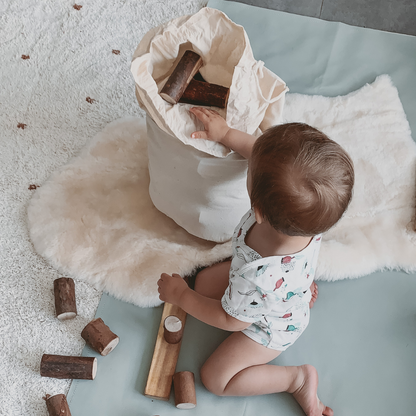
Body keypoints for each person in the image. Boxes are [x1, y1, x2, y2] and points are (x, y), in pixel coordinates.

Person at [157, 107, 354, 416]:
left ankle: (296, 379)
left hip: (270, 327)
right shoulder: (307, 218)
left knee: (216, 378)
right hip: (282, 290)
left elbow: (230, 320)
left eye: (250, 173)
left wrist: (181, 296)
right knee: (206, 281)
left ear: (259, 211)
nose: (249, 165)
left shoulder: (257, 277)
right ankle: (295, 295)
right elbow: (261, 156)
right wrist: (224, 135)